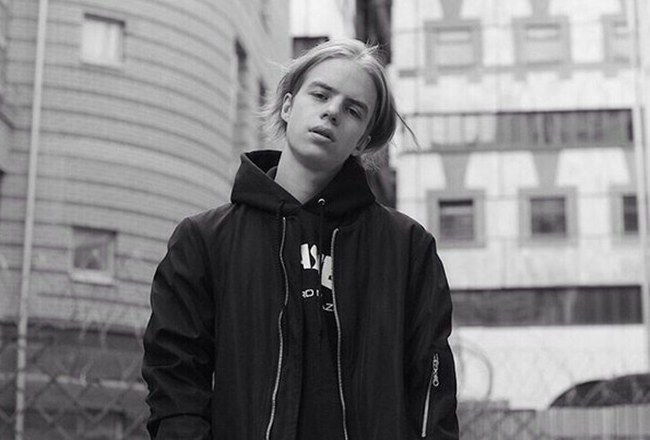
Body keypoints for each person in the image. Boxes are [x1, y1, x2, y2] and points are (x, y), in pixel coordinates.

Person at [142, 38, 458, 440]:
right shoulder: (204, 241)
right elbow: (175, 386)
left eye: (353, 110)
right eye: (321, 94)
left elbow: (431, 396)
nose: (332, 111)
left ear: (362, 140)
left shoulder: (408, 249)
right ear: (288, 106)